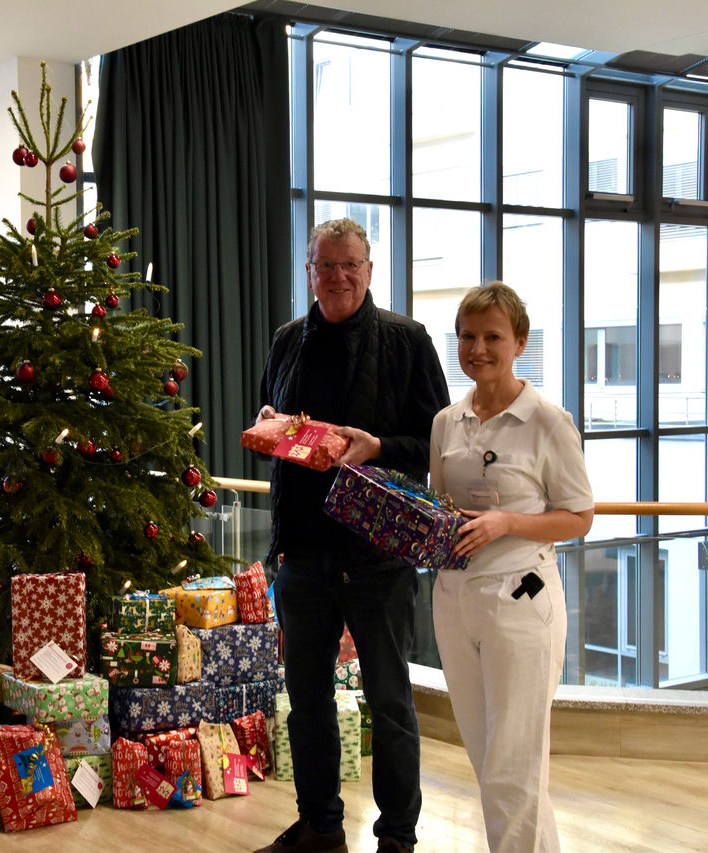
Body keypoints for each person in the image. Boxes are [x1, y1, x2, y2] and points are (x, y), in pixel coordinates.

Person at [253, 218, 449, 853]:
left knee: (391, 704)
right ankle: (320, 828)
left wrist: (378, 447)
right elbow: (273, 429)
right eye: (325, 264)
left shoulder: (408, 341)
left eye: (350, 264)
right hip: (303, 557)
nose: (337, 276)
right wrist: (269, 427)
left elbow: (437, 448)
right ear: (308, 271)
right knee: (306, 704)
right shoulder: (286, 342)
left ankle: (396, 837)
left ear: (370, 270)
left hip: (377, 557)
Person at [429, 282, 593, 853]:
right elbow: (439, 507)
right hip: (454, 600)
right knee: (486, 758)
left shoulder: (548, 420)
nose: (479, 348)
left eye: (492, 336)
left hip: (521, 599)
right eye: (468, 337)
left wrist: (507, 524)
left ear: (519, 341)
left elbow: (579, 518)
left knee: (513, 765)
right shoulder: (446, 422)